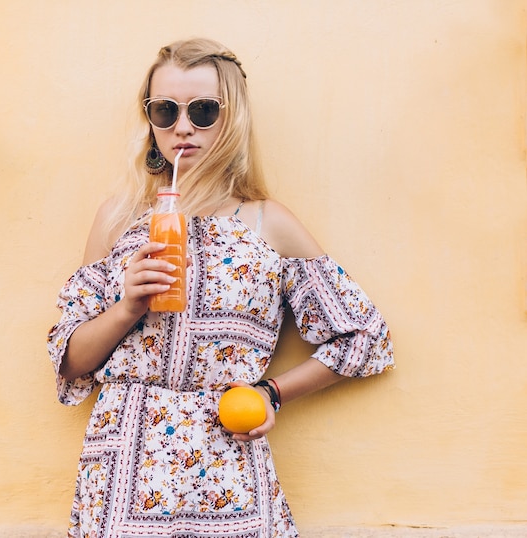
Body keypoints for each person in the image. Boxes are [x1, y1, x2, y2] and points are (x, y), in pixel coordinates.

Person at [47, 37, 394, 538]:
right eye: (164, 110)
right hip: (123, 467)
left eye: (204, 110)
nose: (182, 127)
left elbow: (363, 337)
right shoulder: (120, 218)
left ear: (232, 117)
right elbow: (70, 360)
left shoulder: (266, 223)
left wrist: (271, 393)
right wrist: (126, 308)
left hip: (228, 461)